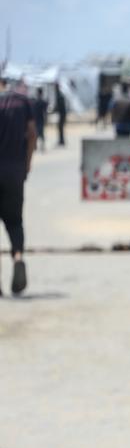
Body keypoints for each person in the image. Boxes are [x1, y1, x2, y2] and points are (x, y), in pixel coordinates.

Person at [0, 76, 37, 296]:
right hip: (14, 172)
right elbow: (32, 133)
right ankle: (18, 257)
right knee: (15, 222)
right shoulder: (22, 102)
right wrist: (27, 163)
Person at [31, 87, 48, 152]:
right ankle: (42, 146)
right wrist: (46, 120)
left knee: (36, 133)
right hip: (41, 119)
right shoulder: (43, 101)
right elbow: (45, 112)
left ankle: (35, 146)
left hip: (36, 119)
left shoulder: (35, 101)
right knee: (41, 133)